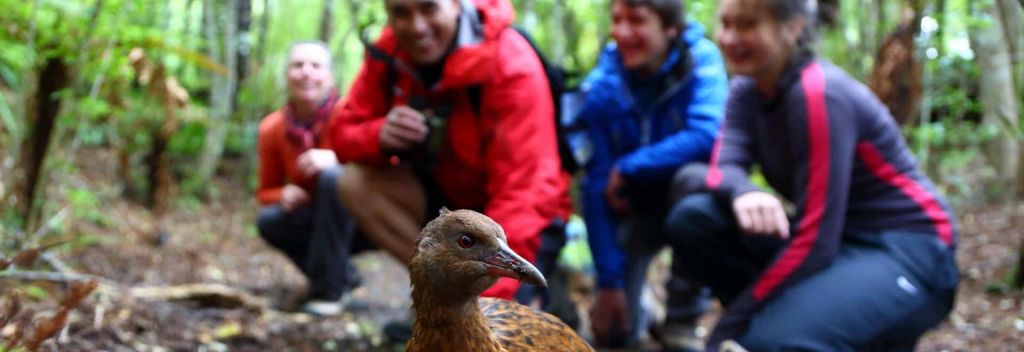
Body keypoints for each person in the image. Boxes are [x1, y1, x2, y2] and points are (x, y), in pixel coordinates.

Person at [665, 0, 960, 350]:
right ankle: (793, 321)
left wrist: (728, 330)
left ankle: (791, 328)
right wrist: (744, 191)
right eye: (725, 24)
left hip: (909, 249)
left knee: (768, 343)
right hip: (838, 243)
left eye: (746, 25)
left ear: (794, 27)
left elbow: (816, 242)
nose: (729, 38)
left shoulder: (819, 94)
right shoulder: (747, 89)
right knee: (694, 220)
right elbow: (722, 170)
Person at [329, 0, 571, 303]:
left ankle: (528, 294)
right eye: (401, 13)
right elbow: (339, 134)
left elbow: (527, 192)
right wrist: (378, 135)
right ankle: (443, 304)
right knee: (355, 182)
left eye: (429, 8)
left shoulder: (510, 63)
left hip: (522, 217)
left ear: (457, 5)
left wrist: (496, 304)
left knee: (510, 327)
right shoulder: (389, 50)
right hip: (449, 202)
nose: (416, 26)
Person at [577, 0, 728, 350]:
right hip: (634, 210)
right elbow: (597, 183)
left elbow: (708, 135)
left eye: (637, 20)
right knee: (617, 336)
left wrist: (629, 166)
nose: (622, 31)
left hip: (683, 200)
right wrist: (609, 282)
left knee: (695, 180)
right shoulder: (603, 85)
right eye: (616, 19)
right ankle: (633, 303)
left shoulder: (701, 60)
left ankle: (684, 317)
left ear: (670, 28)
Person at [255, 41, 359, 316]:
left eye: (315, 65)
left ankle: (329, 292)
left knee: (331, 178)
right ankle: (343, 276)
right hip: (310, 218)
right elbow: (264, 192)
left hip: (358, 219)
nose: (306, 72)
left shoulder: (349, 113)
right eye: (298, 65)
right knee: (268, 220)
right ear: (287, 74)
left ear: (329, 76)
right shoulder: (271, 128)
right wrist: (282, 194)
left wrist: (338, 160)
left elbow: (383, 167)